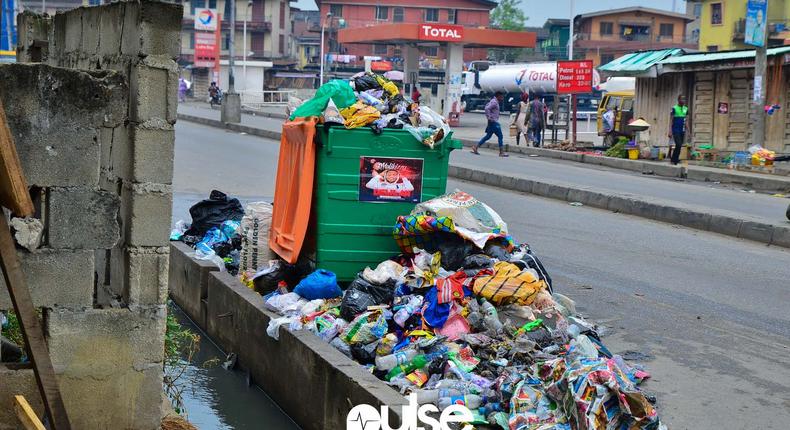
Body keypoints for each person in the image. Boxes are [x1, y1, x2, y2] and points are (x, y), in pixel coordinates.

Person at [472, 91, 508, 157]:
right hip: (494, 122)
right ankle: (501, 152)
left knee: (488, 136)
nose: (502, 98)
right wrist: (489, 117)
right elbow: (487, 108)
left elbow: (487, 107)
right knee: (500, 136)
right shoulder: (494, 102)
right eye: (501, 97)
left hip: (492, 122)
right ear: (498, 96)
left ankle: (476, 147)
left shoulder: (493, 101)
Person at [668, 94, 690, 165]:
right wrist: (670, 131)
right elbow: (671, 120)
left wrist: (688, 131)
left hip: (682, 130)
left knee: (679, 145)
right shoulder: (674, 108)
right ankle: (674, 159)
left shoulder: (686, 109)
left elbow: (686, 121)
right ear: (678, 100)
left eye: (684, 99)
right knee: (678, 144)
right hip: (675, 129)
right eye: (682, 99)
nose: (683, 100)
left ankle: (675, 159)